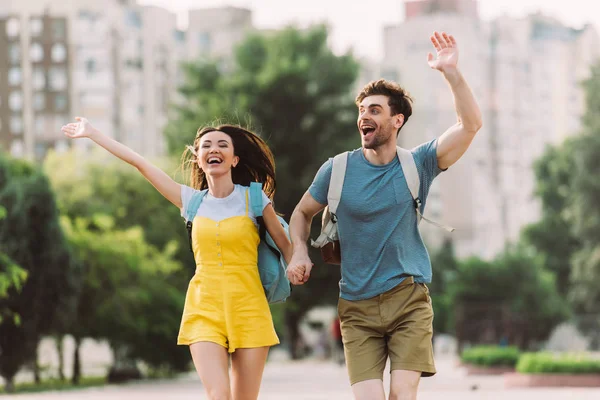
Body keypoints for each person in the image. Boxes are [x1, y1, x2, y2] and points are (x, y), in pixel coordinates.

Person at [287, 31, 482, 400]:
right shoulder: (337, 170)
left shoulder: (419, 163)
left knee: (402, 395)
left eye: (374, 110)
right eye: (361, 110)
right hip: (356, 307)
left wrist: (451, 73)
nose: (364, 116)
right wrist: (299, 250)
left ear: (397, 121)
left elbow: (469, 125)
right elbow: (301, 212)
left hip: (408, 300)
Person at [61, 119, 294, 400]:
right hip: (204, 306)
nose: (214, 149)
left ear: (234, 160)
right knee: (219, 395)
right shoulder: (191, 201)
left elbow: (285, 243)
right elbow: (140, 164)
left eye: (222, 145)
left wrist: (299, 263)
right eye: (206, 146)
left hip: (249, 306)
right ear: (198, 158)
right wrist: (93, 133)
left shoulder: (255, 199)